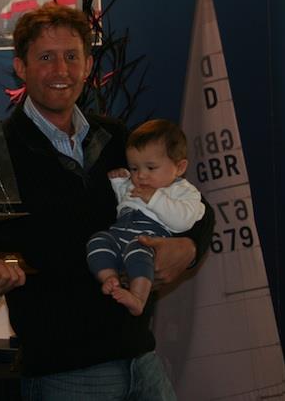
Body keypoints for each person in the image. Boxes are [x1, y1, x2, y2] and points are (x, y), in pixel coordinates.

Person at [0, 3, 215, 400]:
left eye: (71, 56)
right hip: (65, 373)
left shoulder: (117, 137)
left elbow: (192, 202)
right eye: (46, 58)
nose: (61, 71)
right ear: (20, 67)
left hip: (142, 358)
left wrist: (189, 246)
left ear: (88, 64)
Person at [86, 119, 205, 316]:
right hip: (119, 232)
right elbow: (124, 201)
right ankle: (110, 278)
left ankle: (138, 298)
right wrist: (119, 182)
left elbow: (183, 221)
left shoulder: (184, 191)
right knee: (97, 241)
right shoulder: (138, 184)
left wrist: (155, 198)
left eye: (150, 168)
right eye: (134, 168)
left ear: (180, 167)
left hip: (148, 237)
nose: (140, 175)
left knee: (138, 252)